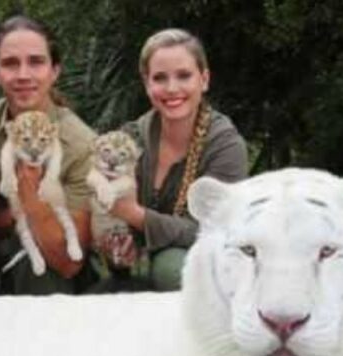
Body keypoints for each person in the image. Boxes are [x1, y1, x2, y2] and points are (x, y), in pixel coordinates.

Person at [101, 28, 248, 291]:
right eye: (160, 78)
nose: (172, 88)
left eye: (184, 76)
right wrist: (117, 238)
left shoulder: (225, 145)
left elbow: (221, 232)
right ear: (147, 84)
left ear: (204, 79)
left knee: (172, 267)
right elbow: (108, 209)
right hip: (140, 263)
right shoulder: (129, 139)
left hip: (208, 261)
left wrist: (138, 216)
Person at [0, 15, 96, 295]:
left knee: (40, 272)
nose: (23, 75)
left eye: (36, 62)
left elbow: (69, 262)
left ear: (55, 70)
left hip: (51, 267)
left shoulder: (81, 145)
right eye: (10, 63)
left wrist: (29, 190)